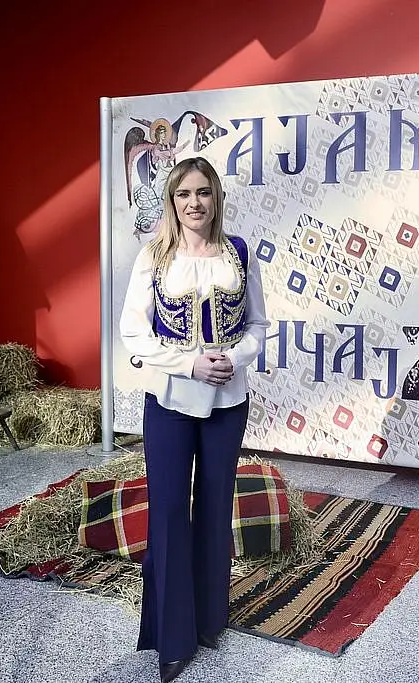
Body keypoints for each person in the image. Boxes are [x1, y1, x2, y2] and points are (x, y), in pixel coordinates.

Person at [118, 156, 269, 682]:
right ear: (171, 201)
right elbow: (133, 333)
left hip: (228, 402)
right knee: (167, 513)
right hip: (170, 401)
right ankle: (172, 637)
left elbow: (258, 324)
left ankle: (208, 621)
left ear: (216, 197)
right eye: (183, 194)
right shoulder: (153, 257)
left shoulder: (240, 252)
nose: (194, 203)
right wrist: (189, 364)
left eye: (203, 192)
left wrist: (236, 357)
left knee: (214, 506)